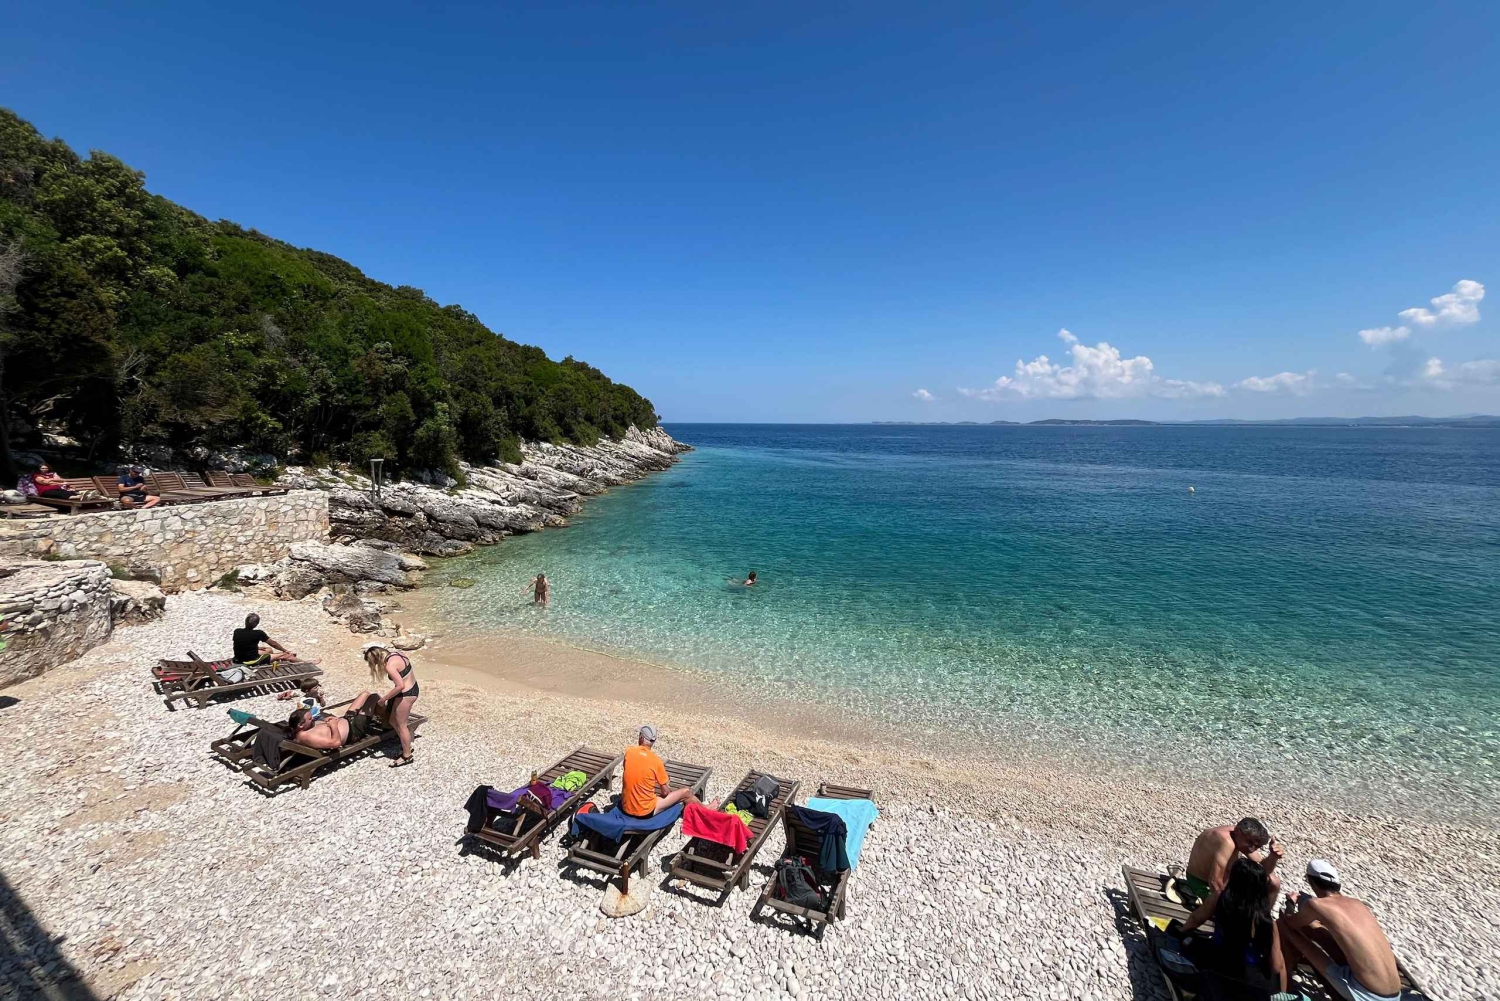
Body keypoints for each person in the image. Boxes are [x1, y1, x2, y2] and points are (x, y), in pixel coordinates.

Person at [1279, 861, 1402, 1001]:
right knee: (1315, 928)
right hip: (1395, 993)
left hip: (1367, 995)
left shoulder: (1316, 904)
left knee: (1285, 927)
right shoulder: (1357, 903)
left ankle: (1284, 985)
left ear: (1311, 881)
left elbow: (1290, 921)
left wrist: (1290, 903)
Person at [1179, 856, 1288, 994]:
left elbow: (1196, 919)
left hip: (1217, 964)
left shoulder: (1220, 898)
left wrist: (1181, 933)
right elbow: (1277, 966)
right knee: (1278, 956)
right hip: (1247, 977)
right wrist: (1281, 991)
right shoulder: (1267, 921)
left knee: (1192, 942)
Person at [1185, 817, 1282, 905]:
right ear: (1238, 831)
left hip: (1224, 885)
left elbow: (1265, 869)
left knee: (1274, 882)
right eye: (1250, 843)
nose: (1252, 849)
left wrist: (1273, 857)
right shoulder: (1226, 841)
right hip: (1201, 884)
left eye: (1257, 847)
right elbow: (1215, 882)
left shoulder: (1242, 837)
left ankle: (1263, 918)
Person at [620, 724, 698, 817]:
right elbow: (665, 793)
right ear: (653, 742)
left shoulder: (629, 751)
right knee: (686, 792)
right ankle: (707, 809)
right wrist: (666, 785)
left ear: (641, 739)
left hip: (626, 807)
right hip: (645, 811)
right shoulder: (656, 760)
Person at [366, 642, 418, 767]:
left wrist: (383, 699)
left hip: (406, 695)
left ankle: (407, 756)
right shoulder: (398, 654)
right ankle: (406, 745)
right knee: (393, 721)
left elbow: (400, 686)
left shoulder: (390, 665)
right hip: (413, 688)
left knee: (401, 726)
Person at [287, 691, 384, 749]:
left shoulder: (304, 729)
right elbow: (335, 743)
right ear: (300, 725)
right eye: (310, 718)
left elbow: (321, 730)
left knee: (365, 694)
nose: (312, 718)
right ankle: (389, 721)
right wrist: (333, 725)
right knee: (374, 697)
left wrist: (325, 720)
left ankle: (382, 715)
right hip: (354, 729)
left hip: (347, 719)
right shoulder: (306, 737)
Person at [231, 612, 301, 666]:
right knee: (285, 655)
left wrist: (257, 647)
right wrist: (286, 651)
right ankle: (306, 663)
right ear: (256, 624)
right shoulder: (258, 633)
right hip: (252, 661)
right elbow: (273, 644)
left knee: (268, 650)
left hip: (239, 659)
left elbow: (243, 643)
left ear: (245, 622)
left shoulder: (237, 631)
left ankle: (271, 662)